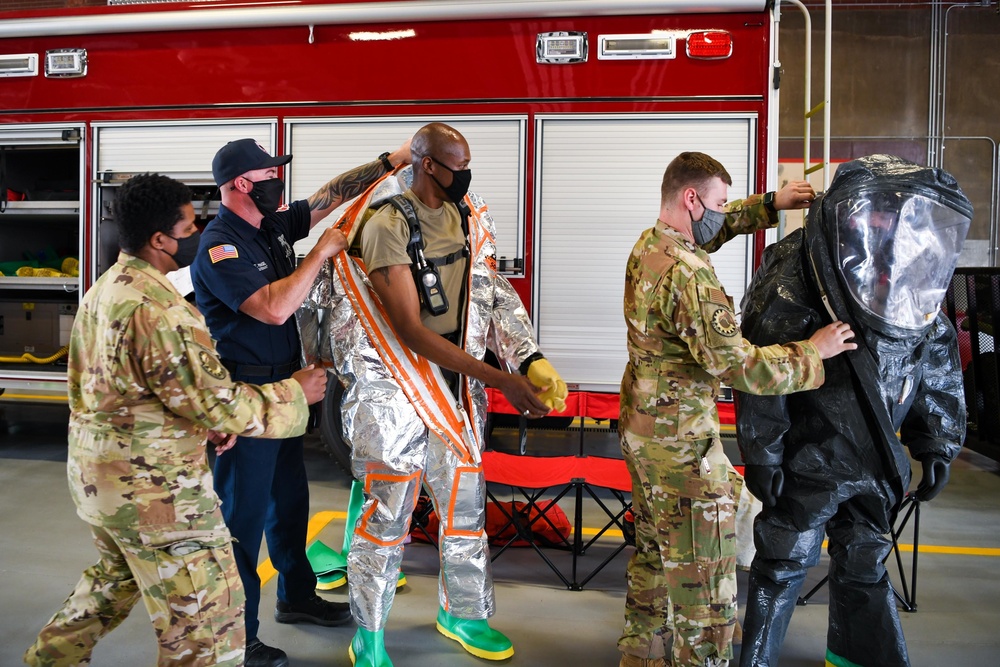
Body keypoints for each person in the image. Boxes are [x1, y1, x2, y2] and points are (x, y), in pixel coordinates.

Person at [23, 173, 328, 667]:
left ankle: (48, 660)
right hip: (156, 495)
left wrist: (199, 426)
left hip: (99, 482)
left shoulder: (106, 291)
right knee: (208, 630)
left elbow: (127, 389)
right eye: (188, 226)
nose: (197, 232)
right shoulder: (160, 311)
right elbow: (218, 401)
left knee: (111, 585)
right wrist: (296, 392)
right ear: (160, 239)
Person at [297, 122, 568, 666]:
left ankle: (462, 612)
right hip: (393, 388)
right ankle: (368, 633)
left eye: (468, 164)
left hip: (458, 385)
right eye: (455, 165)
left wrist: (529, 359)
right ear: (424, 163)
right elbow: (410, 332)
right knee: (387, 515)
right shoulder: (386, 224)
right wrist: (505, 380)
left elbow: (491, 292)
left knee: (464, 505)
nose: (465, 175)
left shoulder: (469, 216)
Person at [617, 151, 859, 667]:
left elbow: (717, 228)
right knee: (704, 590)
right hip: (682, 454)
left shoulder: (650, 247)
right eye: (719, 201)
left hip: (645, 436)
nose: (723, 212)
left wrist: (771, 204)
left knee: (656, 564)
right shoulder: (691, 277)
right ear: (691, 198)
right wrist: (815, 351)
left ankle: (640, 657)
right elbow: (743, 368)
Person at [736, 154, 972, 667]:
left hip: (878, 458)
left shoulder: (910, 269)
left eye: (897, 212)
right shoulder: (798, 265)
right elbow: (762, 364)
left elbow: (933, 357)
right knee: (782, 562)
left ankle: (857, 654)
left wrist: (937, 441)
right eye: (880, 211)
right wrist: (764, 452)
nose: (888, 223)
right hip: (808, 452)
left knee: (865, 559)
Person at [190, 138, 411, 667]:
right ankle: (238, 639)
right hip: (248, 399)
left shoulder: (267, 226)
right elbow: (272, 308)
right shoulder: (221, 245)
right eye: (270, 172)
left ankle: (296, 595)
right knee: (241, 525)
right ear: (242, 183)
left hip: (286, 394)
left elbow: (325, 200)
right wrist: (320, 253)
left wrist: (389, 162)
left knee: (288, 505)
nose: (278, 180)